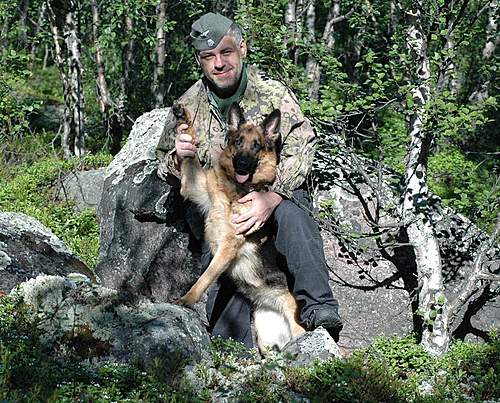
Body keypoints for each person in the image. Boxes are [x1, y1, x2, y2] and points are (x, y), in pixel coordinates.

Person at [156, 12, 342, 347]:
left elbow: (305, 144)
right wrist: (179, 155)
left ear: (242, 48)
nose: (218, 63)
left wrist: (273, 197)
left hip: (271, 199)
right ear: (200, 60)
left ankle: (319, 310)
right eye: (208, 57)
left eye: (226, 53)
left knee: (294, 217)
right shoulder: (186, 104)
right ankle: (235, 357)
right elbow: (164, 163)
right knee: (225, 330)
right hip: (222, 210)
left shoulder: (272, 94)